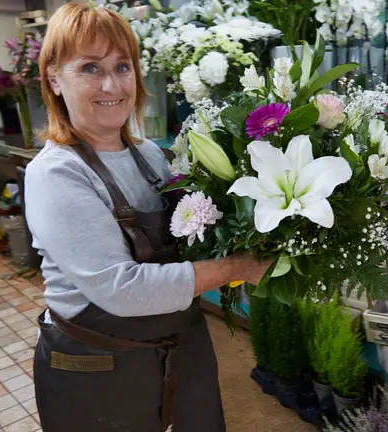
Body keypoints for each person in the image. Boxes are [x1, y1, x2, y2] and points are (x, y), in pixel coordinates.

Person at [24, 4, 270, 431]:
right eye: (90, 68)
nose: (111, 84)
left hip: (179, 349)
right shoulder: (56, 173)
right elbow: (122, 290)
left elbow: (199, 234)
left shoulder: (151, 156)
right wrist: (237, 267)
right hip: (99, 371)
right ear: (53, 78)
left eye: (122, 66)